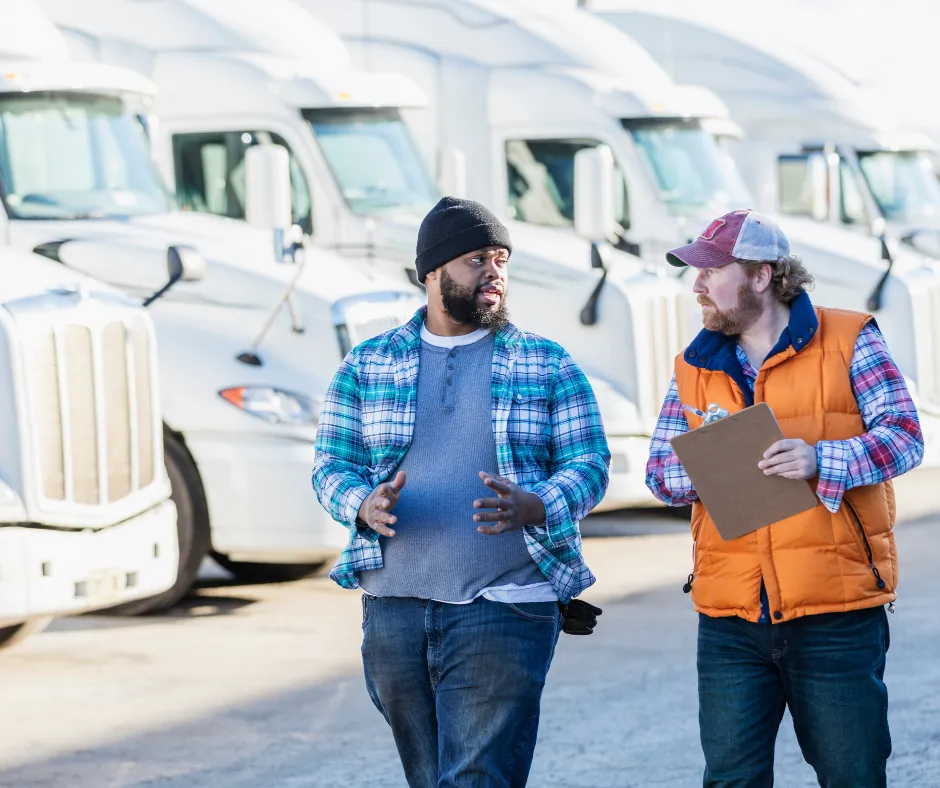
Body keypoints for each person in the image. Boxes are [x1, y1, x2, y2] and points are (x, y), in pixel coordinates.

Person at [313, 196, 610, 788]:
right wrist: (362, 504)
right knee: (429, 777)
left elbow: (590, 462)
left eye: (501, 259)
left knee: (474, 777)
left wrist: (538, 504)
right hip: (393, 606)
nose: (494, 272)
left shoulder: (545, 362)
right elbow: (330, 466)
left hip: (505, 604)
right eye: (477, 259)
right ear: (433, 272)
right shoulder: (367, 365)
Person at [645, 209, 924, 787]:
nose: (695, 286)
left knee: (853, 776)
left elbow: (904, 438)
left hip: (836, 614)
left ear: (761, 275)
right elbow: (660, 476)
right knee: (731, 780)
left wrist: (823, 459)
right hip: (731, 619)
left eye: (711, 271)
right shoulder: (692, 365)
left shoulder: (850, 338)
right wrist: (705, 465)